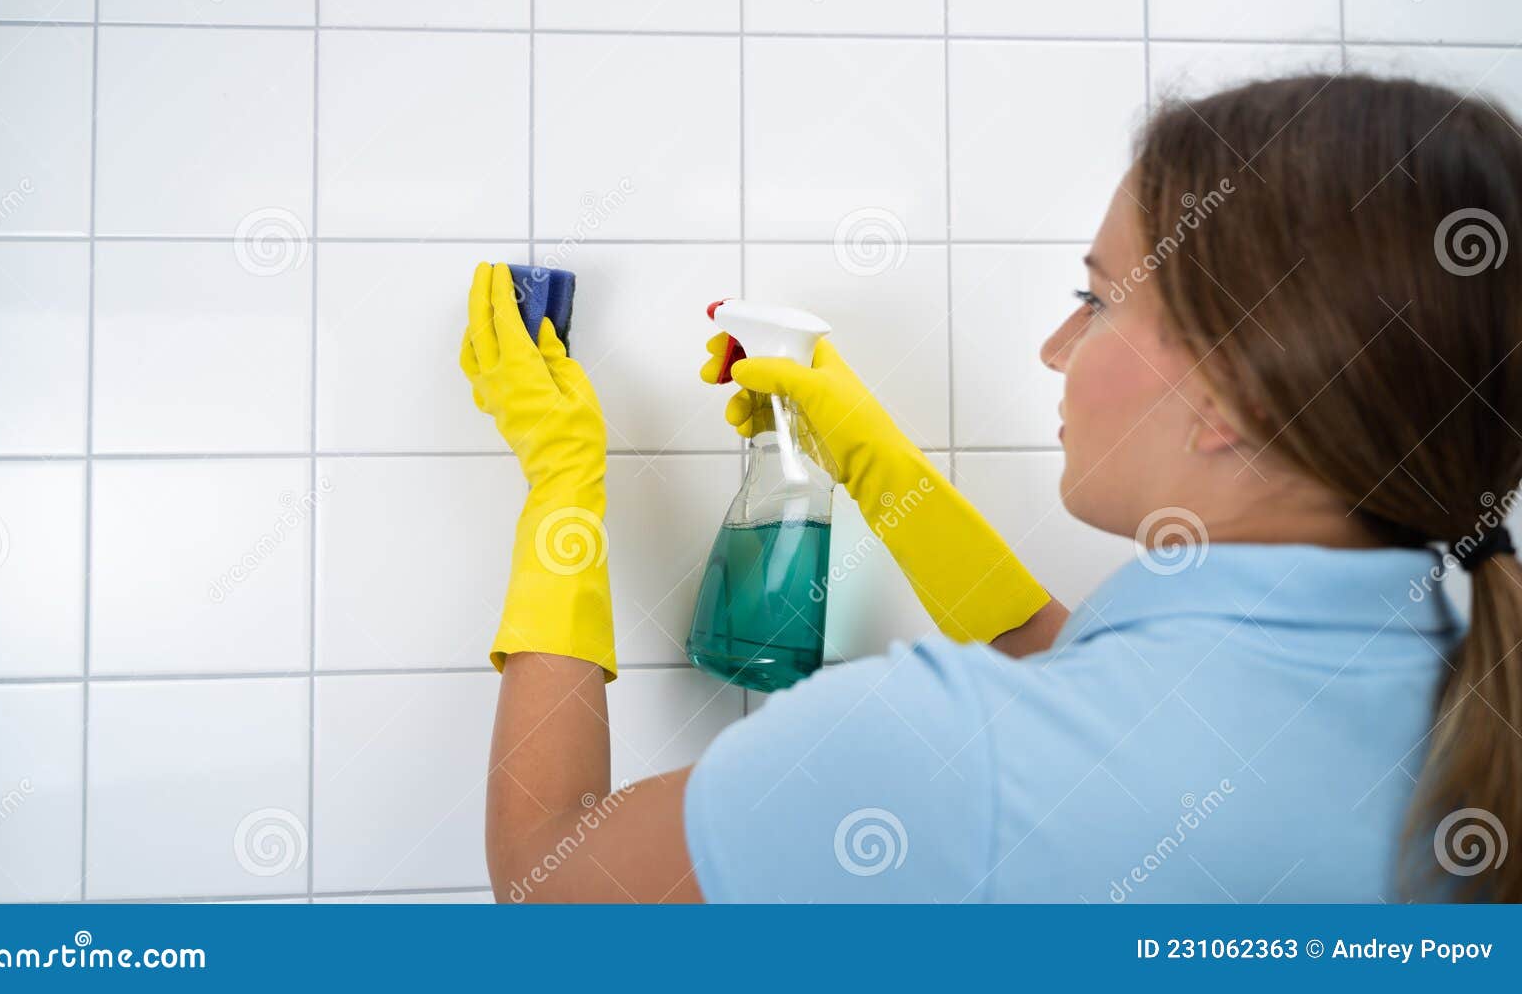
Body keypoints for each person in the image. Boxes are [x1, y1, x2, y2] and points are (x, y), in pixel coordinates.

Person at [461, 73, 1522, 903]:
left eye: (1095, 301)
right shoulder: (1479, 708)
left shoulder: (934, 757)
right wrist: (882, 473)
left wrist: (564, 488)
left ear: (1229, 395)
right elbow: (1109, 703)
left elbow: (549, 880)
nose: (1059, 347)